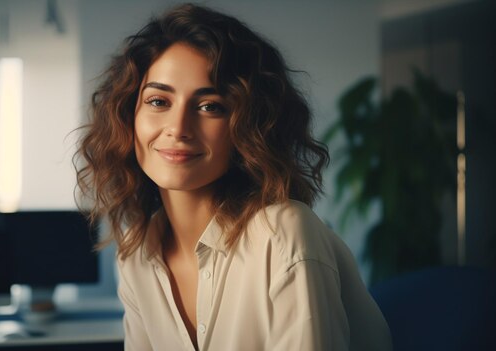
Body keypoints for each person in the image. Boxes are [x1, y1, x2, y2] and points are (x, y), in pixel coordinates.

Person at [75, 3, 392, 351]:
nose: (178, 128)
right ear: (127, 115)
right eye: (158, 101)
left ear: (248, 127)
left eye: (211, 106)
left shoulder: (283, 233)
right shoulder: (137, 255)